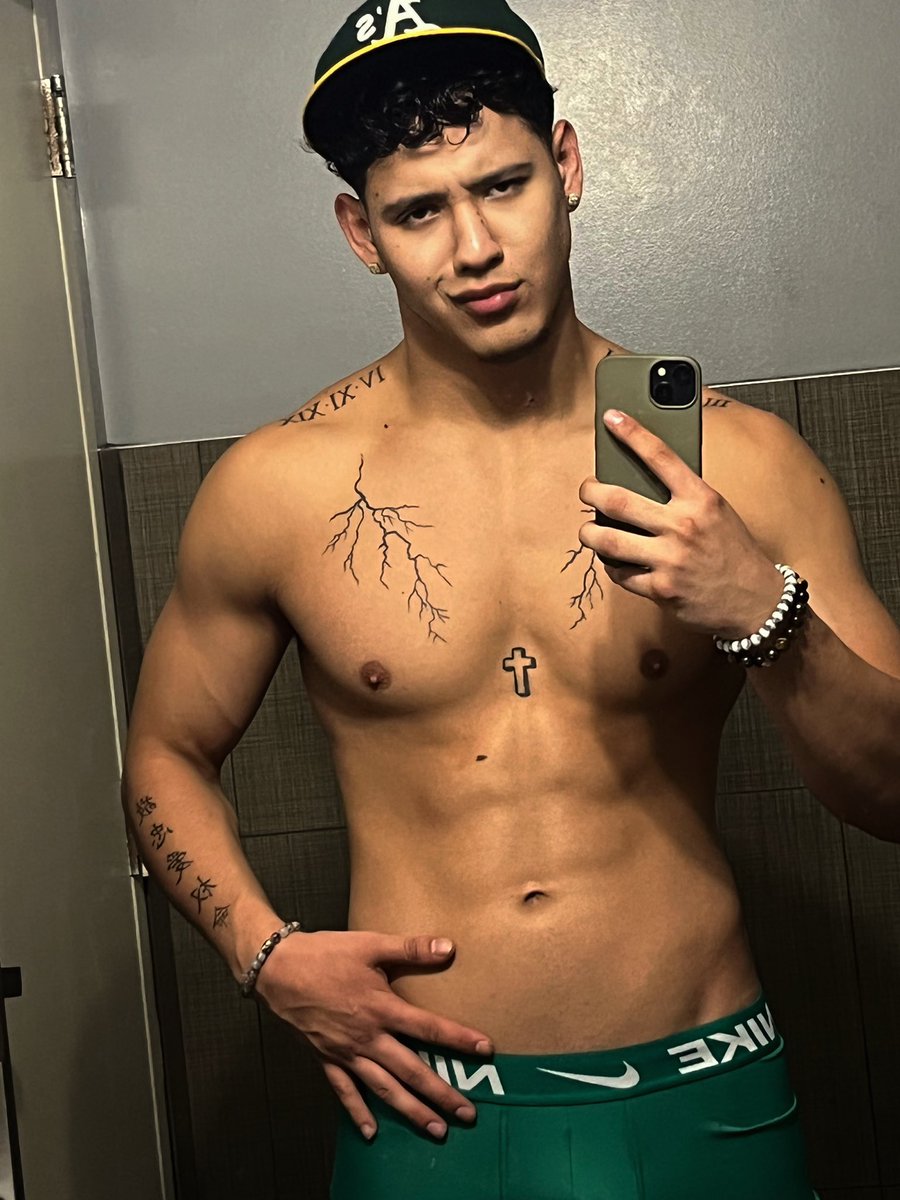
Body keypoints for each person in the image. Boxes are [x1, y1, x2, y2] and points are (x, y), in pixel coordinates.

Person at [121, 1, 900, 1196]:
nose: (476, 247)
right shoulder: (276, 489)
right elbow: (163, 753)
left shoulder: (741, 464)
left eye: (503, 185)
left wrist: (763, 606)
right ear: (361, 231)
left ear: (566, 166)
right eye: (419, 211)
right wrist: (264, 954)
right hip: (426, 1113)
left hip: (706, 1093)